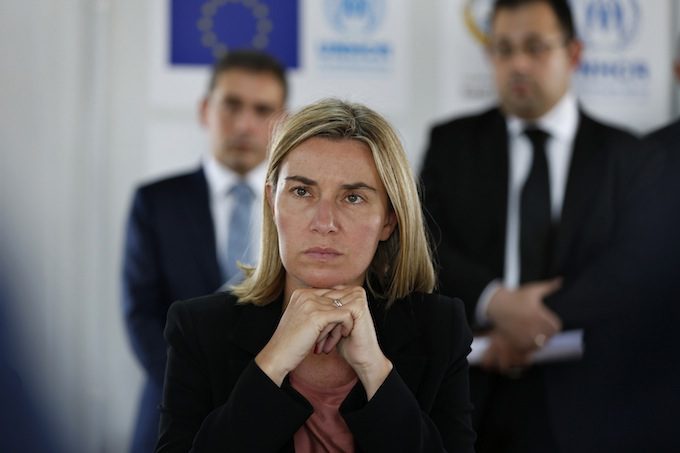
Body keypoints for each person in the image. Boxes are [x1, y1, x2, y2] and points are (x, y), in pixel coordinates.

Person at [155, 99, 476, 452]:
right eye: (302, 191)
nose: (324, 223)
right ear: (271, 203)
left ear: (389, 219)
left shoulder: (440, 328)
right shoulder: (198, 327)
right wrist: (272, 362)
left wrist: (374, 369)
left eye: (353, 198)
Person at [420, 0, 648, 451]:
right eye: (503, 48)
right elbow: (423, 246)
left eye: (535, 47)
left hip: (589, 397)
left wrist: (537, 324)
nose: (518, 63)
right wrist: (497, 302)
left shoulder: (627, 156)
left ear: (575, 54)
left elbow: (635, 267)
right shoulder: (451, 144)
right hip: (473, 389)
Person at [122, 50, 287, 453]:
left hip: (276, 420)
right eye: (232, 105)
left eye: (262, 109)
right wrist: (194, 388)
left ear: (282, 121)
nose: (246, 124)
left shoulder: (303, 209)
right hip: (168, 414)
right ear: (204, 109)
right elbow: (141, 313)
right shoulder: (156, 202)